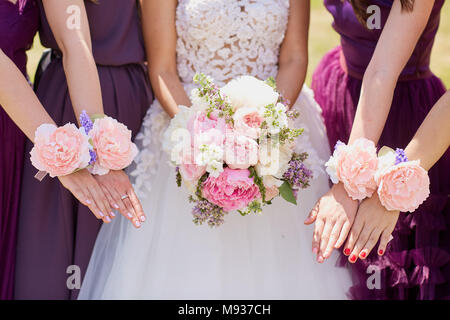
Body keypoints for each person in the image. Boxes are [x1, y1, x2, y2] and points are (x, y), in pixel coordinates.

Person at [79, 0, 352, 300]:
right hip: (187, 120)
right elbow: (162, 69)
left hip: (275, 119)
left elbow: (294, 58)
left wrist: (267, 128)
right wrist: (202, 137)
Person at [309, 0, 449, 299]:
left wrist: (386, 183)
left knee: (390, 264)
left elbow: (382, 71)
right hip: (341, 96)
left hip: (407, 119)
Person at [14, 0, 152, 299]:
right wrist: (75, 154)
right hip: (60, 101)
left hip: (129, 98)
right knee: (52, 246)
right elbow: (74, 43)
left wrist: (104, 150)